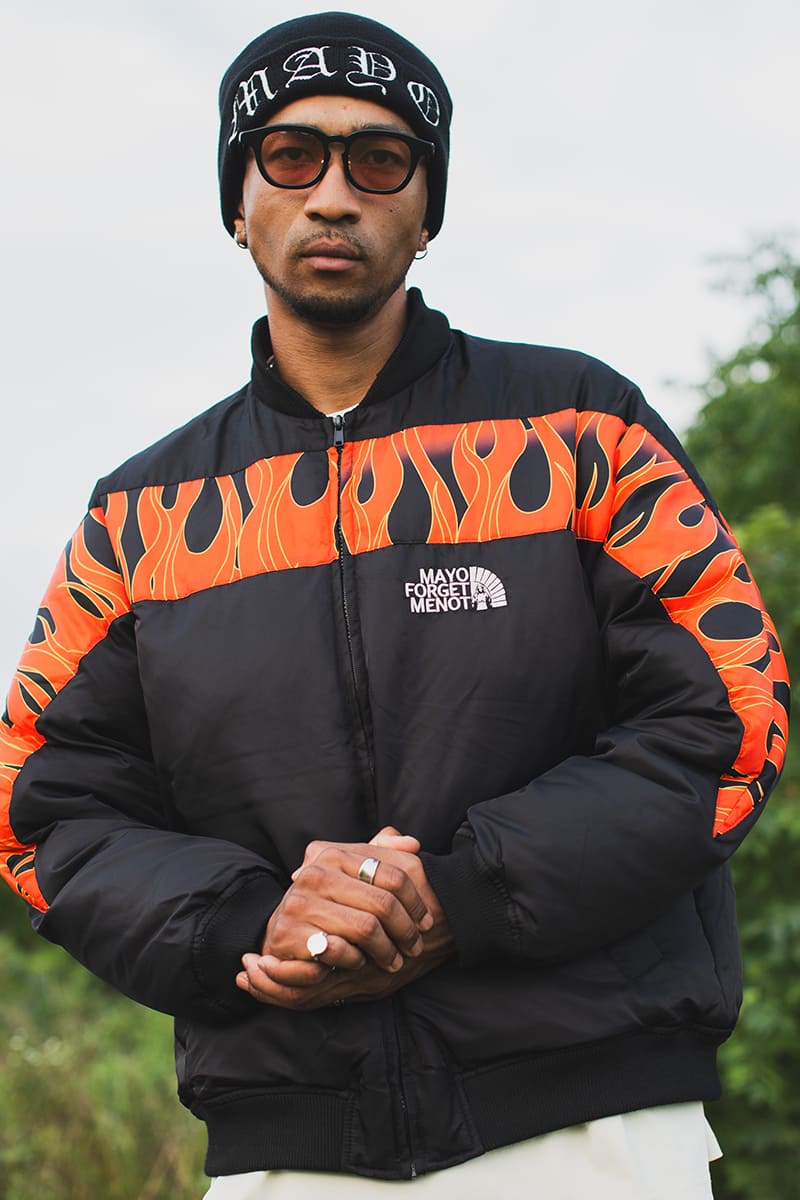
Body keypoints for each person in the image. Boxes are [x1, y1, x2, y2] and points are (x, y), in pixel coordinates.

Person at [0, 12, 789, 1200]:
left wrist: (457, 896)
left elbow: (727, 711)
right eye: (289, 156)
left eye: (378, 160)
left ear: (426, 211)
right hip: (287, 1145)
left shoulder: (583, 429)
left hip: (597, 1131)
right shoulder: (140, 515)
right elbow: (45, 804)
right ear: (237, 203)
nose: (332, 196)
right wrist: (254, 921)